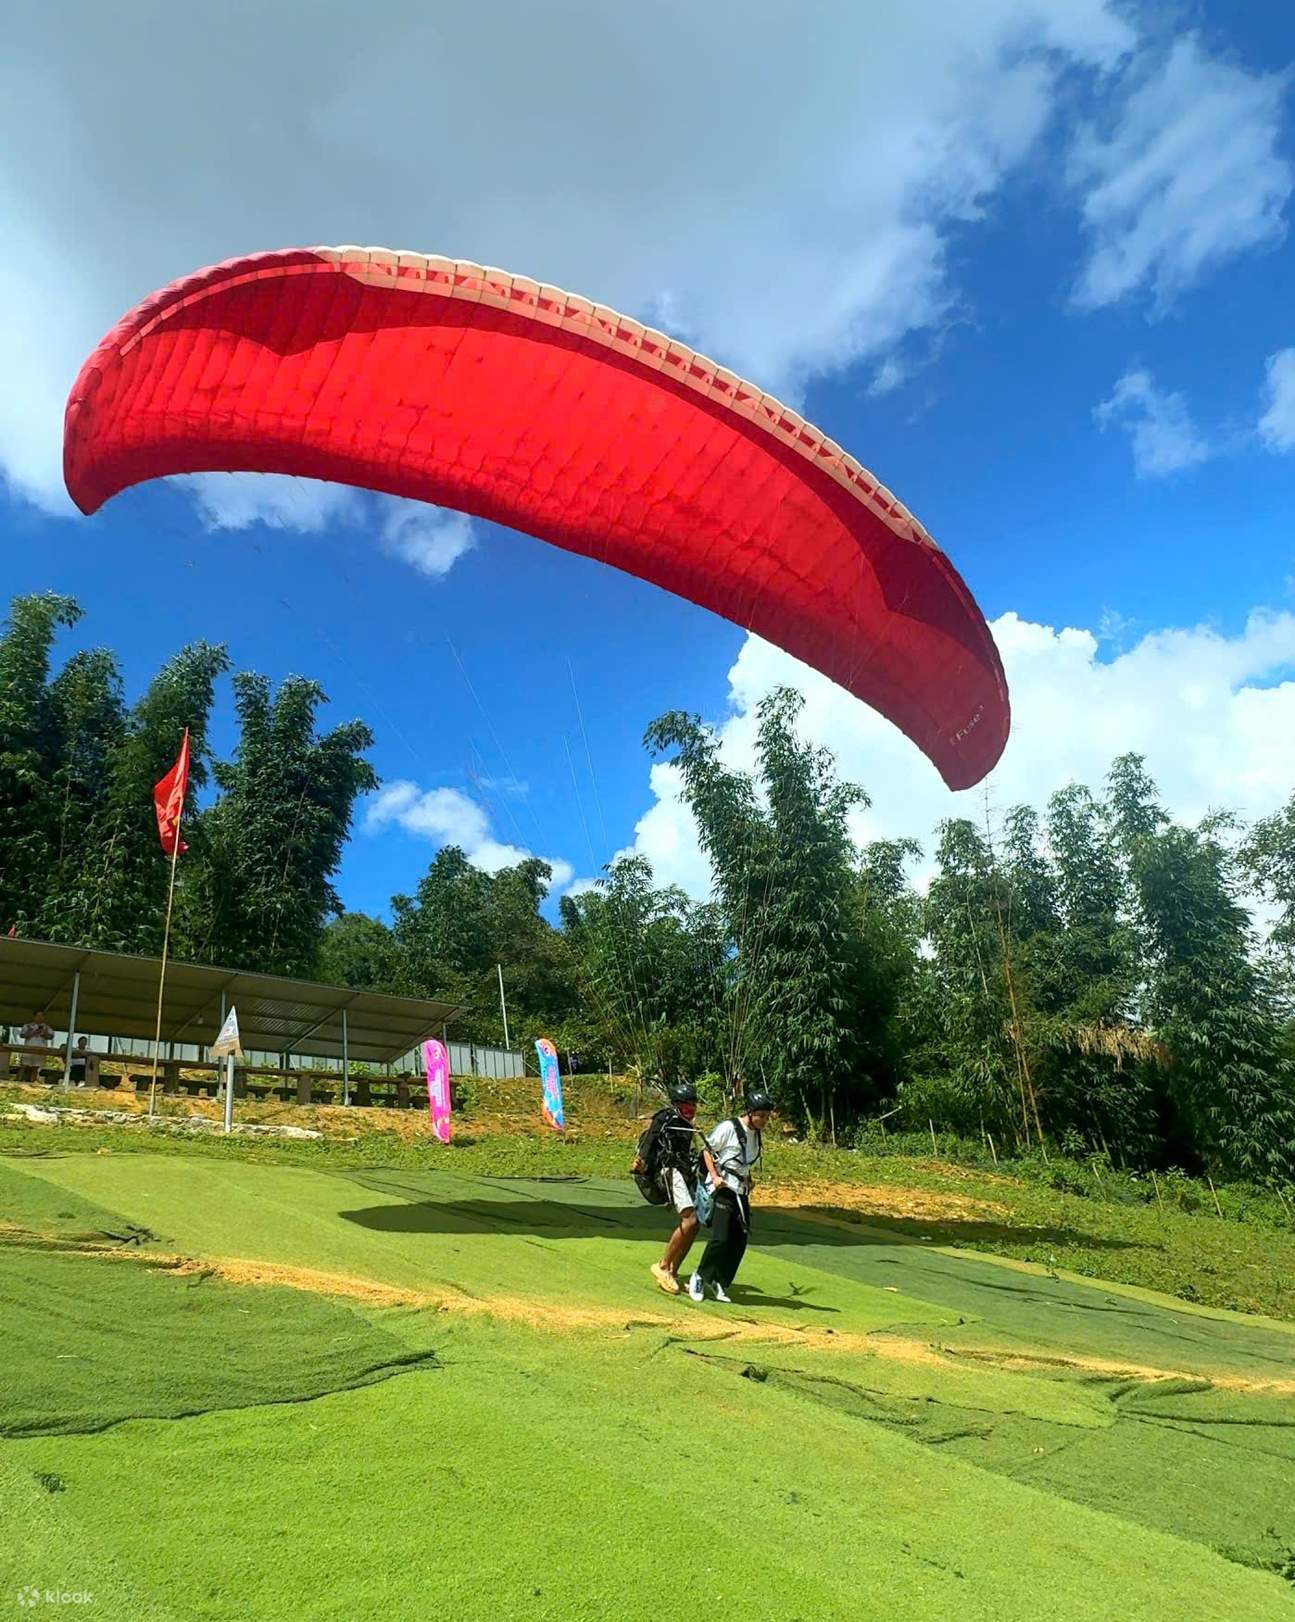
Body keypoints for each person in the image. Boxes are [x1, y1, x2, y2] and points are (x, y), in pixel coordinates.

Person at [689, 1091, 774, 1304]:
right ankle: (699, 1276)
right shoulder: (729, 1128)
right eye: (761, 1116)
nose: (764, 1120)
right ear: (750, 1112)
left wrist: (749, 1179)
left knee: (739, 1240)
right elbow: (707, 1150)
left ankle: (718, 1279)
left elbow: (742, 1161)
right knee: (721, 1237)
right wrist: (715, 1176)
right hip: (723, 1188)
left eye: (766, 1117)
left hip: (740, 1190)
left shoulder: (755, 1133)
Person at [635, 1083, 703, 1296]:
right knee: (690, 1220)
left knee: (695, 1224)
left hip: (683, 1172)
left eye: (693, 1104)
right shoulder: (665, 1118)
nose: (690, 1108)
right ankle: (663, 1266)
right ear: (676, 1104)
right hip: (669, 1171)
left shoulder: (688, 1124)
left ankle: (673, 1271)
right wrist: (641, 1160)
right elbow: (650, 1139)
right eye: (686, 1104)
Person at [18, 1010, 54, 1084]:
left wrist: (44, 1033)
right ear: (34, 1017)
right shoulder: (28, 1026)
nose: (40, 1018)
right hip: (28, 1048)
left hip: (40, 1049)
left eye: (41, 1016)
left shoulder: (47, 1027)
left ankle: (32, 1082)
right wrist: (33, 1032)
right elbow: (22, 1035)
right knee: (24, 1066)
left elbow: (51, 1036)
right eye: (38, 1016)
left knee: (36, 1067)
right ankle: (18, 1080)